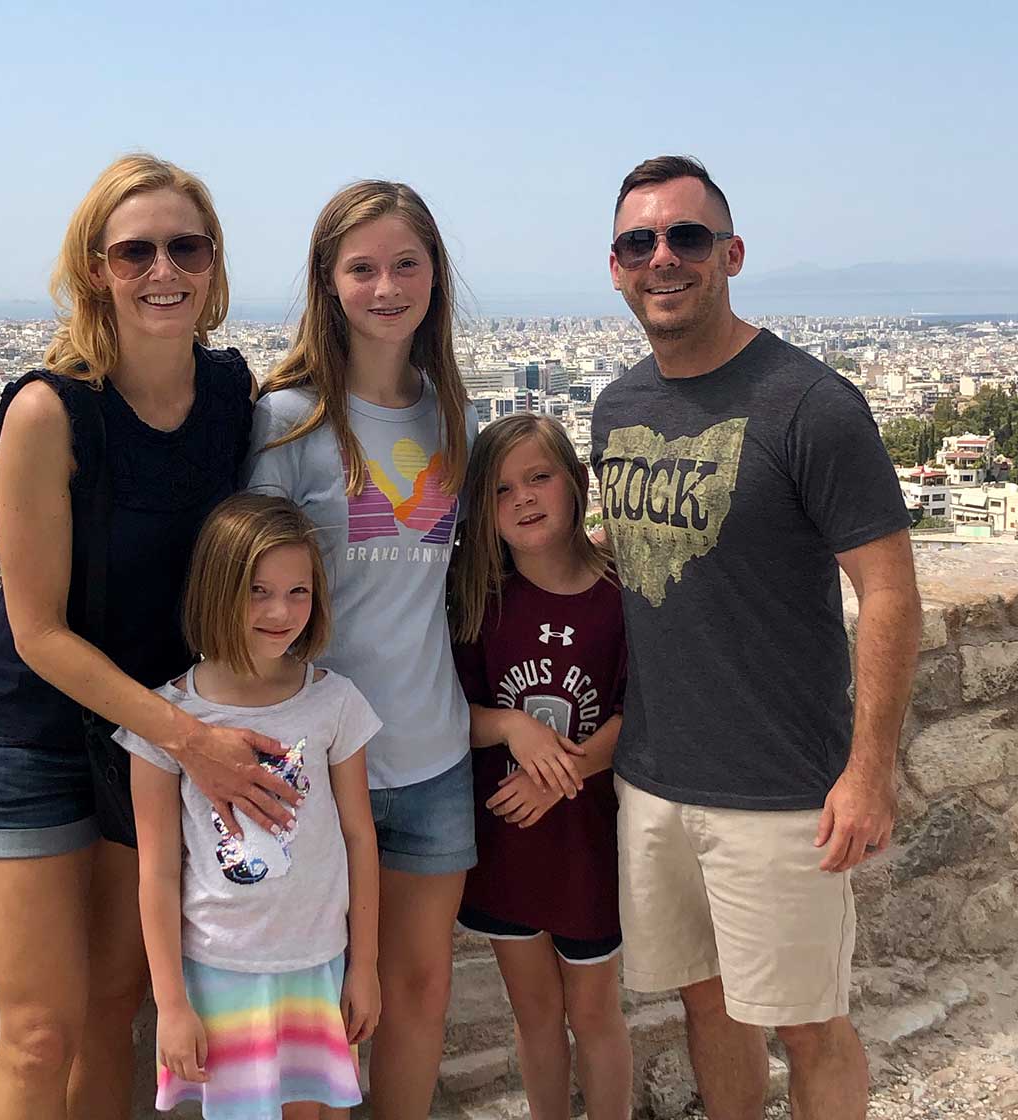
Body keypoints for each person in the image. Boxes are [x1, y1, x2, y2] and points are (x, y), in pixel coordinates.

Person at [0, 154, 298, 1120]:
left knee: (115, 1007)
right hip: (33, 743)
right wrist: (192, 743)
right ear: (95, 268)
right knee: (39, 1033)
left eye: (185, 246)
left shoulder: (233, 397)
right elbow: (38, 631)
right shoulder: (49, 412)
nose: (162, 270)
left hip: (143, 743)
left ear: (214, 263)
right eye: (134, 250)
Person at [591, 155, 922, 1120]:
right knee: (707, 1002)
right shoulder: (618, 409)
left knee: (809, 1022)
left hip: (783, 788)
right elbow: (644, 553)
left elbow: (891, 592)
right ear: (614, 268)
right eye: (638, 243)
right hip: (653, 778)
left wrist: (870, 771)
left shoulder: (810, 404)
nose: (664, 259)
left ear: (730, 253)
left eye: (686, 238)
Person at [244, 180, 477, 1119]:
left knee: (420, 995)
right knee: (317, 1007)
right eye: (364, 267)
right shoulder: (287, 420)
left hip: (431, 756)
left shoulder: (450, 413)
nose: (387, 286)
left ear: (435, 277)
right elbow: (250, 602)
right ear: (328, 283)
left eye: (406, 264)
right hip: (316, 767)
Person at [118, 494, 382, 1119]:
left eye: (298, 592)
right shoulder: (169, 720)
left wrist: (363, 965)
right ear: (217, 590)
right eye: (258, 591)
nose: (280, 611)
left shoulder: (334, 703)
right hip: (218, 967)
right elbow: (156, 869)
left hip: (318, 960)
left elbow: (359, 837)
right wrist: (172, 1004)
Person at [449, 413, 632, 1120]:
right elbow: (447, 713)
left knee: (594, 1013)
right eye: (499, 491)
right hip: (507, 842)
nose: (522, 499)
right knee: (533, 1014)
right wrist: (511, 726)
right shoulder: (478, 601)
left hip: (588, 840)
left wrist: (565, 771)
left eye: (538, 477)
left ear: (575, 483)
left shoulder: (621, 595)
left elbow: (642, 710)